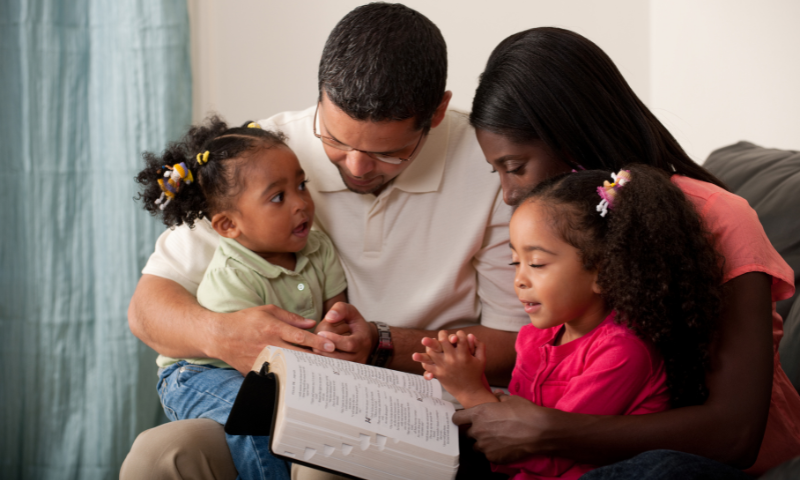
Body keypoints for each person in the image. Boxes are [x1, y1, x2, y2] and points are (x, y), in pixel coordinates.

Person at [120, 4, 527, 479]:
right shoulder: (268, 156)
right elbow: (147, 309)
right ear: (321, 95)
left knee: (323, 462)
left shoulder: (489, 166)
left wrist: (381, 344)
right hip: (296, 396)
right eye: (336, 140)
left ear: (436, 111)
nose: (355, 167)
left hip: (421, 408)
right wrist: (223, 335)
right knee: (161, 455)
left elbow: (516, 347)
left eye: (387, 153)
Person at [455, 26, 800, 478]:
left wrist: (549, 431)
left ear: (572, 137)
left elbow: (734, 434)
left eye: (515, 168)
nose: (508, 193)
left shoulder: (719, 217)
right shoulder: (562, 237)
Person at [416, 165, 725, 479]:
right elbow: (508, 447)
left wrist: (471, 393)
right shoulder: (535, 337)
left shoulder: (623, 352)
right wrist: (472, 378)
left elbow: (544, 456)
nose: (520, 280)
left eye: (537, 263)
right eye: (515, 261)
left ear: (604, 273)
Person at [133, 117, 348, 478]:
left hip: (264, 373)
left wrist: (333, 329)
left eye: (301, 185)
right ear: (229, 226)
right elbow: (247, 357)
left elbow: (337, 309)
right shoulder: (231, 276)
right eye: (278, 197)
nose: (301, 204)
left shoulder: (318, 247)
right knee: (255, 419)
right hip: (198, 373)